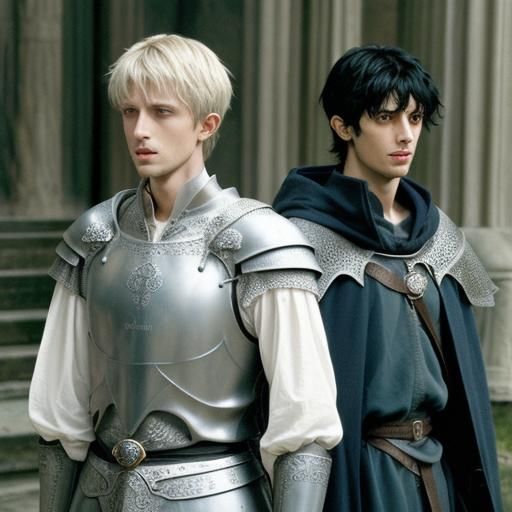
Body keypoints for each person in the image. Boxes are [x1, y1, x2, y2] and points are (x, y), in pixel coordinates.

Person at [29, 33, 342, 511]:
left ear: (205, 124)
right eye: (130, 111)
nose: (140, 130)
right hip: (98, 494)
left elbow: (305, 428)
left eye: (162, 112)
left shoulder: (262, 242)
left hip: (217, 496)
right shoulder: (94, 237)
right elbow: (59, 414)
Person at [273, 45, 503, 511]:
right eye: (384, 117)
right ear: (343, 126)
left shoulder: (440, 236)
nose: (405, 134)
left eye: (414, 118)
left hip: (438, 473)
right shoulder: (300, 240)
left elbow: (466, 389)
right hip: (358, 476)